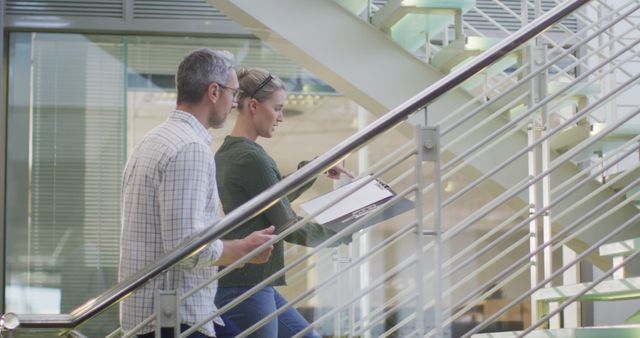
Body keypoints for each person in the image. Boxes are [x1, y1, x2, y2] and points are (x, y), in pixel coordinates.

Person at [119, 49, 275, 338]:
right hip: (173, 318)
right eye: (233, 93)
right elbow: (186, 246)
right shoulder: (190, 149)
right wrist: (242, 249)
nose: (234, 103)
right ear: (214, 91)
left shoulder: (152, 141)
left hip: (153, 316)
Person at [214, 68, 351, 338]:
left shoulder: (230, 152)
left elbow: (273, 198)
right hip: (247, 287)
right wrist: (341, 229)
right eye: (277, 109)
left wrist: (315, 168)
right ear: (253, 105)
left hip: (248, 283)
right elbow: (288, 225)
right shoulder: (251, 158)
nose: (281, 118)